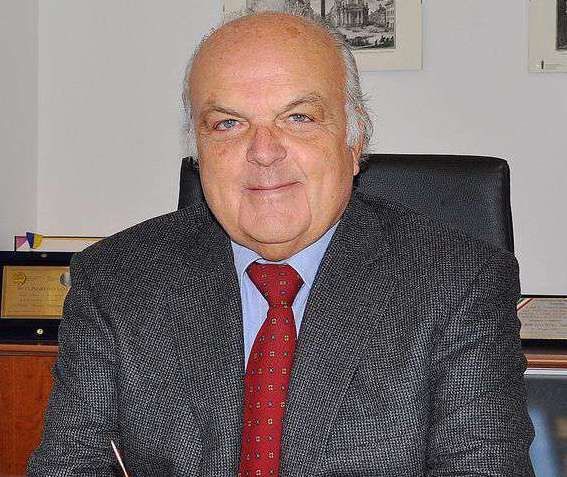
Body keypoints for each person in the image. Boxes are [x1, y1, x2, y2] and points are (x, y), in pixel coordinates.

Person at [29, 9, 535, 477]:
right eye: (228, 124)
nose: (264, 151)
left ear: (354, 141)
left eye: (299, 118)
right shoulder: (115, 282)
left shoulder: (458, 283)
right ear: (198, 152)